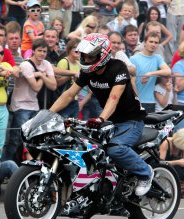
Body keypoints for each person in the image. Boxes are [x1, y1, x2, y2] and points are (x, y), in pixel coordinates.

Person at [50, 33, 153, 196]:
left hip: (131, 121)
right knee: (85, 148)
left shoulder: (118, 67)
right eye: (83, 55)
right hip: (109, 121)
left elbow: (114, 97)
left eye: (89, 56)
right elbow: (69, 94)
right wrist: (48, 113)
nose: (85, 58)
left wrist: (101, 118)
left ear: (102, 55)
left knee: (115, 149)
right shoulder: (87, 72)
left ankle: (145, 173)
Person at [3, 39, 56, 161]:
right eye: (39, 51)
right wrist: (44, 76)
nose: (42, 54)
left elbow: (53, 85)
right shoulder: (26, 65)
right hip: (20, 105)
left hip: (34, 105)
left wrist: (42, 75)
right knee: (16, 139)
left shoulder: (46, 64)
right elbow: (36, 87)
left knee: (31, 139)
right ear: (33, 51)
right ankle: (8, 165)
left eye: (44, 51)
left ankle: (24, 166)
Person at [130, 32, 171, 113]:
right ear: (144, 43)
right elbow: (132, 82)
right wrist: (137, 100)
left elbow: (168, 71)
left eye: (156, 42)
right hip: (135, 101)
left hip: (150, 101)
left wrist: (151, 73)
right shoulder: (133, 59)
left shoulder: (157, 58)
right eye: (151, 41)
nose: (153, 44)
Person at [159, 128, 184, 198]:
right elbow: (159, 163)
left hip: (171, 168)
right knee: (179, 165)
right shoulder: (166, 143)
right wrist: (177, 162)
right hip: (162, 169)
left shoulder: (183, 147)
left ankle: (181, 185)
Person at [56, 39, 81, 118]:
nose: (78, 50)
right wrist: (70, 75)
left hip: (75, 100)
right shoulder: (64, 62)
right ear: (69, 49)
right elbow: (58, 82)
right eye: (75, 48)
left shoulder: (79, 63)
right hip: (64, 99)